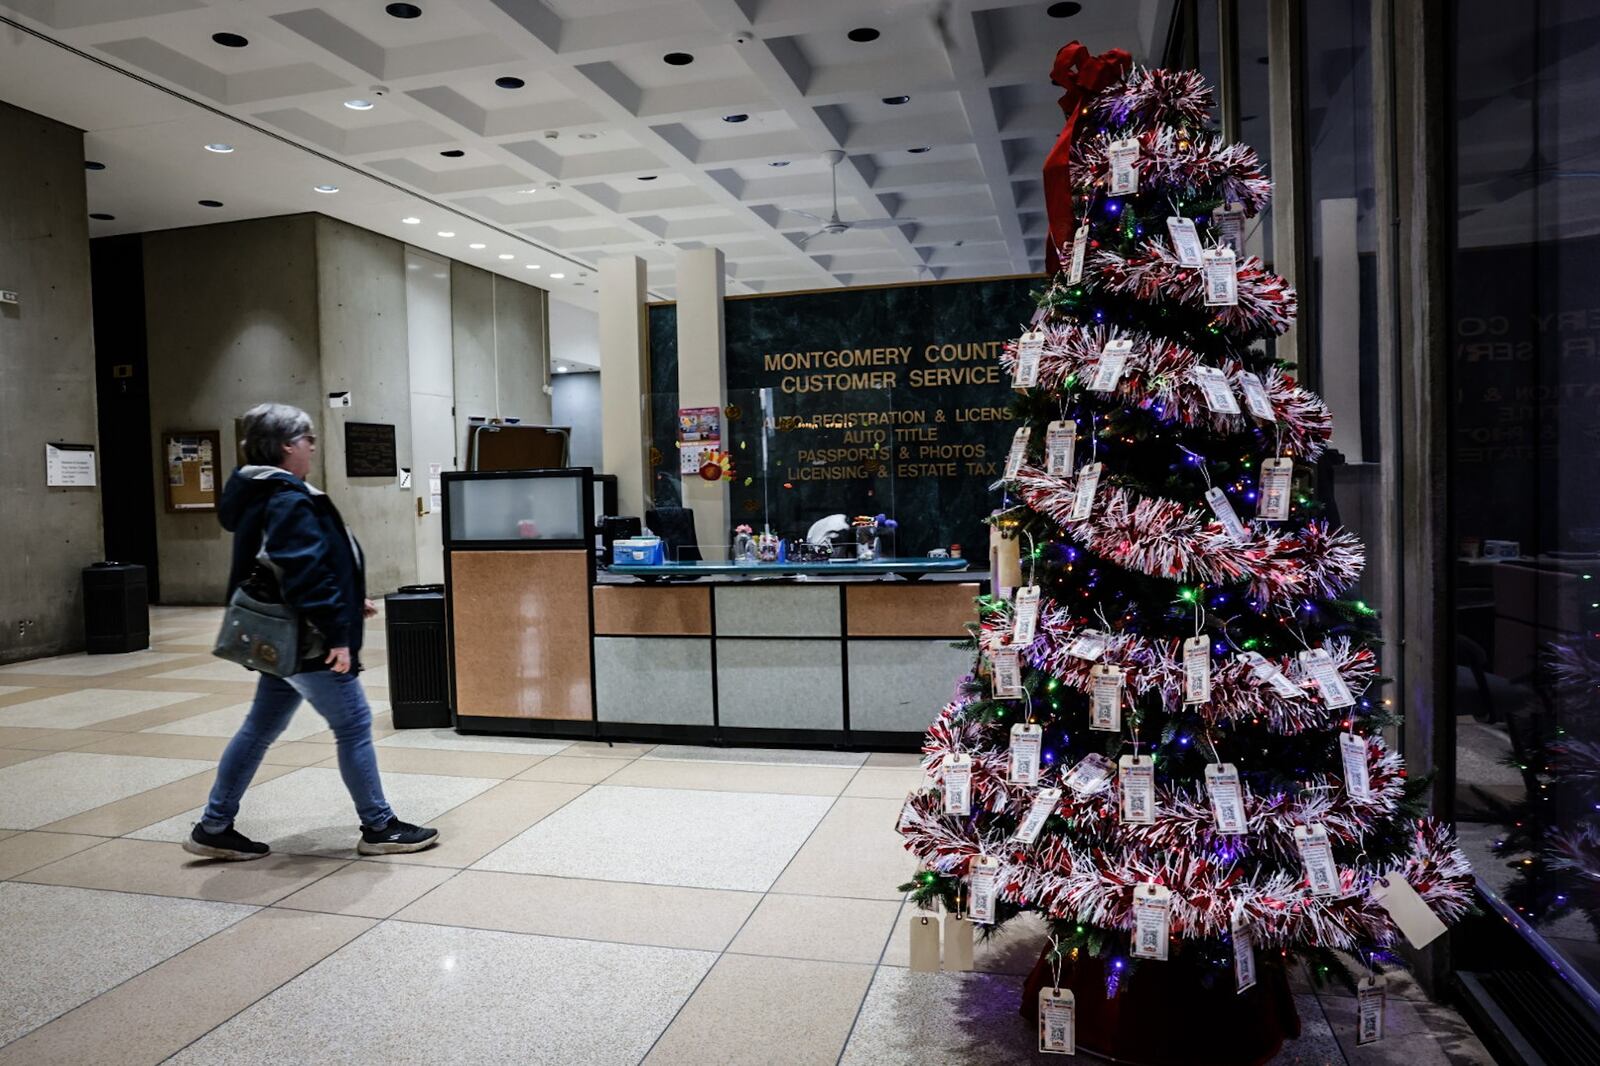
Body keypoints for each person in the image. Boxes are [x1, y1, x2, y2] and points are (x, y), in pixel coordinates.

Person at [185, 403, 439, 860]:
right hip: (307, 639)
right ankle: (379, 826)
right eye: (308, 439)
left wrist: (346, 595)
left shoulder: (265, 493)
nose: (313, 447)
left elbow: (296, 566)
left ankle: (214, 824)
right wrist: (337, 632)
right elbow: (302, 572)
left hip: (285, 637)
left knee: (260, 727)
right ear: (286, 445)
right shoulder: (286, 498)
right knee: (355, 724)